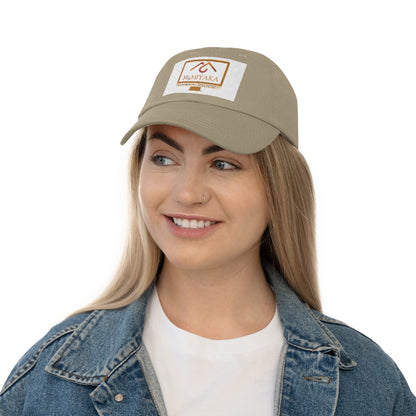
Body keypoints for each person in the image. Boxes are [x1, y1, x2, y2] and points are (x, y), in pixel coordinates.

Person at [0, 47, 414, 416]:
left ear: (280, 186)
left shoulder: (370, 385)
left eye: (223, 164)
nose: (186, 193)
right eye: (163, 158)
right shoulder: (49, 383)